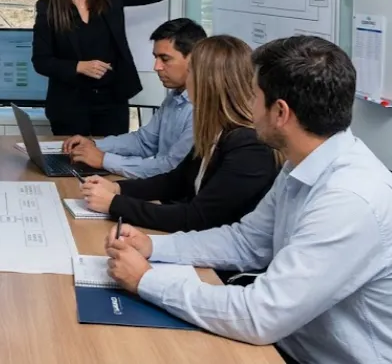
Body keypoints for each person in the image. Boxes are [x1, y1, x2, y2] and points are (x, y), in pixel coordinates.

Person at [105, 36, 392, 364]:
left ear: (280, 112)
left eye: (255, 96)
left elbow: (260, 316)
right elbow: (246, 242)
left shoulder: (349, 201)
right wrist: (153, 248)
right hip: (286, 346)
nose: (249, 106)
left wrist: (146, 280)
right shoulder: (301, 164)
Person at [31, 0, 235, 136]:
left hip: (112, 103)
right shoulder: (48, 9)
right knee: (70, 163)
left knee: (110, 161)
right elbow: (41, 61)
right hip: (69, 107)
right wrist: (79, 66)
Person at [79, 35, 279, 234]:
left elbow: (195, 217)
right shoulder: (217, 131)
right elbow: (175, 181)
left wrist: (115, 204)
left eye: (190, 71)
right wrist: (116, 189)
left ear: (208, 82)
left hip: (213, 256)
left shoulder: (249, 147)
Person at [63, 18, 206, 179]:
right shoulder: (175, 97)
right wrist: (95, 145)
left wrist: (104, 160)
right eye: (156, 58)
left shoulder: (203, 109)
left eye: (165, 59)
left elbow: (170, 167)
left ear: (194, 59)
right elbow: (144, 142)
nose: (156, 67)